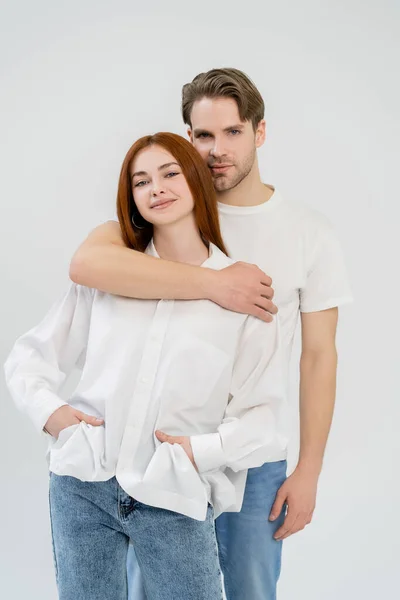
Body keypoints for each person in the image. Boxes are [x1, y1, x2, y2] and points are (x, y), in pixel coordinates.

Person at [69, 69, 353, 600]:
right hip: (160, 450)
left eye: (232, 132)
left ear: (260, 132)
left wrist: (309, 469)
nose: (217, 149)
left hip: (251, 454)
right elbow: (86, 264)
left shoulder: (309, 232)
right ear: (187, 137)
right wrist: (216, 284)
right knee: (149, 591)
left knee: (249, 588)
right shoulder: (164, 209)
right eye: (203, 135)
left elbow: (318, 357)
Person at [4, 132, 288, 600]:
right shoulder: (107, 277)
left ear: (196, 179)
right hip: (82, 483)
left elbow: (266, 418)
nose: (156, 188)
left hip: (173, 492)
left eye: (170, 173)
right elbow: (30, 356)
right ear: (131, 198)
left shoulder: (241, 296)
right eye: (141, 181)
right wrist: (51, 415)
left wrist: (200, 452)